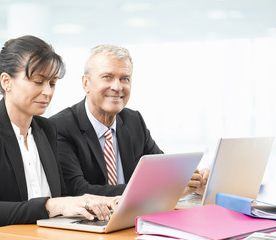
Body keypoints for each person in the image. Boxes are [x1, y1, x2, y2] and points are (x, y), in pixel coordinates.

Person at [0, 36, 119, 240]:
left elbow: (62, 193)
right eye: (38, 82)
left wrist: (104, 201)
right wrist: (51, 205)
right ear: (6, 81)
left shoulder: (46, 128)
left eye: (52, 83)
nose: (47, 92)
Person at [50, 44, 210, 197]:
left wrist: (194, 181)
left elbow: (164, 172)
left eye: (125, 79)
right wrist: (163, 189)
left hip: (133, 217)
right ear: (86, 83)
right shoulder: (60, 127)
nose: (117, 87)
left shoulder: (134, 121)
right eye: (107, 77)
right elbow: (78, 191)